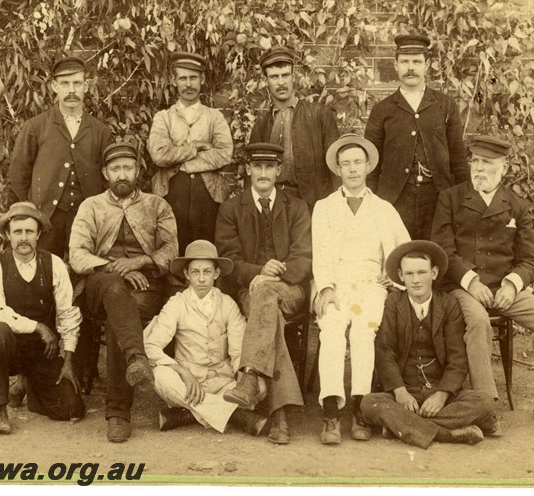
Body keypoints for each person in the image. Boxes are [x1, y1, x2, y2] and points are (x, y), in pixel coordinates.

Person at [431, 135, 534, 435]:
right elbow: (443, 249)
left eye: (488, 163)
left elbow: (531, 258)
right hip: (463, 285)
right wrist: (470, 281)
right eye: (476, 162)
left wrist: (512, 284)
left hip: (503, 287)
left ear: (504, 167)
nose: (479, 169)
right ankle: (484, 407)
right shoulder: (451, 198)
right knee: (479, 321)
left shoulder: (516, 205)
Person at [68, 142, 179, 443]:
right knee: (117, 290)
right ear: (105, 173)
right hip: (100, 284)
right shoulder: (91, 207)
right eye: (115, 169)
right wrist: (118, 268)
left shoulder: (158, 206)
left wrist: (142, 261)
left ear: (138, 170)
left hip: (147, 288)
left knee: (122, 313)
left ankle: (118, 413)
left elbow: (171, 250)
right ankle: (134, 363)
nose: (122, 174)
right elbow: (77, 255)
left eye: (127, 168)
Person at [312, 134, 410, 444]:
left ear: (368, 166)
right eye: (346, 164)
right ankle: (330, 412)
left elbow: (401, 250)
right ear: (337, 170)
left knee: (363, 331)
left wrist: (391, 279)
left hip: (370, 284)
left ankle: (359, 409)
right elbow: (320, 252)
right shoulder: (324, 207)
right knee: (331, 327)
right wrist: (325, 287)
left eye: (358, 163)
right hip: (337, 282)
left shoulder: (383, 208)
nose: (352, 169)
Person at [214, 142, 311, 444]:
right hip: (251, 290)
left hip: (290, 290)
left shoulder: (297, 207)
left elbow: (304, 257)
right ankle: (279, 417)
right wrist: (257, 273)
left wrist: (272, 274)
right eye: (258, 166)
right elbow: (228, 260)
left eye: (270, 167)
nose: (263, 173)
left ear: (279, 171)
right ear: (248, 170)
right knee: (268, 312)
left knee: (266, 297)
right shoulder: (231, 208)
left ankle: (250, 376)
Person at [360, 240, 498, 449]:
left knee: (485, 402)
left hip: (439, 390)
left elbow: (457, 357)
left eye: (421, 272)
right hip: (406, 392)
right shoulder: (393, 303)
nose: (415, 280)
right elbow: (384, 351)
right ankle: (449, 434)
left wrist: (441, 396)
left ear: (433, 273)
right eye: (409, 274)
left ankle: (402, 427)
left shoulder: (448, 304)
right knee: (369, 404)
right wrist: (400, 392)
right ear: (400, 276)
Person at [143, 240, 269, 437]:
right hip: (188, 383)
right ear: (186, 274)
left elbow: (238, 351)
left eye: (207, 272)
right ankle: (238, 416)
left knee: (259, 389)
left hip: (222, 380)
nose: (201, 279)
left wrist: (243, 382)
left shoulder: (227, 304)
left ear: (216, 273)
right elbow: (151, 345)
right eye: (195, 272)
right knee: (161, 377)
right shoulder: (177, 303)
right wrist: (183, 372)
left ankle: (188, 415)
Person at [0, 201, 84, 434]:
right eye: (18, 232)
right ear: (8, 234)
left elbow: (68, 313)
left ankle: (28, 385)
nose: (24, 238)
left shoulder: (54, 264)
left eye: (29, 231)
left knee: (71, 408)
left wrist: (68, 359)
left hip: (41, 351)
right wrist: (38, 326)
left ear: (38, 234)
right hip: (10, 349)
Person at [365, 33, 470, 240]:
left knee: (438, 254)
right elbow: (371, 164)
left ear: (427, 65)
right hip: (395, 200)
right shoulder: (382, 110)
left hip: (438, 198)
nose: (410, 67)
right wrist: (373, 202)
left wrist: (462, 200)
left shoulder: (445, 105)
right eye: (404, 62)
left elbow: (458, 158)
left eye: (416, 61)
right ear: (395, 65)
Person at [10, 56, 113, 257]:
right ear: (54, 86)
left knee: (86, 273)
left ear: (86, 86)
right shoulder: (36, 127)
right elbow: (18, 173)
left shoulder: (100, 131)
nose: (71, 90)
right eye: (65, 84)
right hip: (46, 219)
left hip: (86, 218)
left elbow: (107, 177)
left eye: (77, 83)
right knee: (44, 272)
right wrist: (32, 211)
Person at [147, 51, 234, 252]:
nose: (188, 84)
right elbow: (159, 155)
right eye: (183, 78)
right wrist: (195, 147)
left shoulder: (214, 117)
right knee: (173, 246)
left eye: (193, 78)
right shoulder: (164, 118)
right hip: (172, 192)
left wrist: (179, 158)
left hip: (208, 196)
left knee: (206, 249)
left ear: (202, 80)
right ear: (175, 81)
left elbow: (224, 153)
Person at [248, 45, 340, 211]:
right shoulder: (261, 125)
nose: (281, 82)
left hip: (313, 204)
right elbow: (254, 173)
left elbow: (336, 166)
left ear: (294, 77)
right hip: (275, 205)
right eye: (274, 77)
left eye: (285, 75)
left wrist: (336, 207)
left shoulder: (320, 115)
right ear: (266, 81)